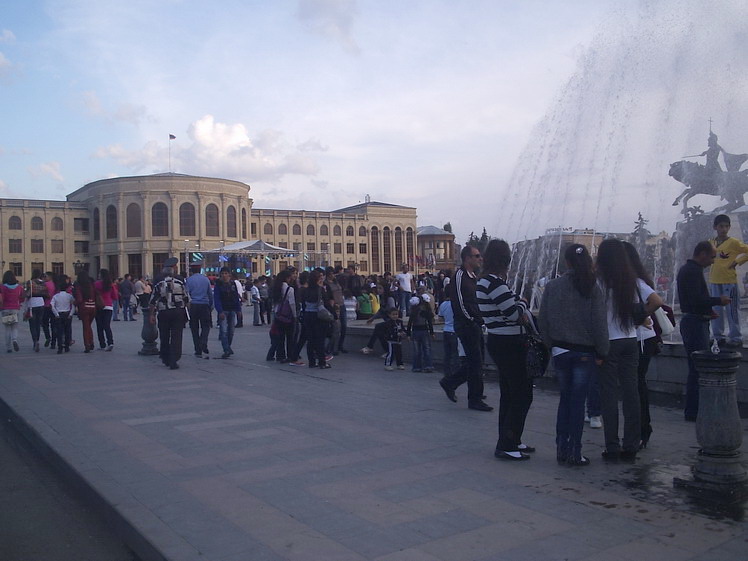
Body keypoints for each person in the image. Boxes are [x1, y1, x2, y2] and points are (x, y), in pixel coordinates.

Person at [539, 244, 609, 466]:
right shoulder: (592, 287)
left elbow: (543, 320)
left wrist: (550, 345)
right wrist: (603, 350)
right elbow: (599, 323)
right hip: (584, 353)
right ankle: (574, 452)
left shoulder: (552, 286)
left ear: (567, 262)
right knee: (578, 402)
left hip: (560, 351)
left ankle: (561, 447)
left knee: (565, 399)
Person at [596, 238, 658, 462]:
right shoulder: (632, 280)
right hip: (630, 340)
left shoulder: (598, 282)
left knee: (609, 395)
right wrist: (640, 318)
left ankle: (612, 447)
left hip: (609, 342)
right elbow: (656, 300)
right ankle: (631, 444)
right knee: (631, 393)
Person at [477, 239, 533, 460]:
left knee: (510, 393)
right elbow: (514, 313)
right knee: (521, 394)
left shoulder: (485, 282)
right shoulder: (495, 284)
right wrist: (524, 303)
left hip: (498, 340)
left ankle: (512, 439)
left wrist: (518, 304)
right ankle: (508, 444)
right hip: (509, 343)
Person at [678, 241, 729, 421]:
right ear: (702, 254)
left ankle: (694, 409)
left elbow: (694, 301)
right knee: (698, 368)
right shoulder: (692, 271)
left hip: (694, 320)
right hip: (694, 324)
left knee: (696, 367)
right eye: (712, 257)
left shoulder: (689, 270)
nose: (713, 261)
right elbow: (696, 300)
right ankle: (694, 411)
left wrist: (708, 311)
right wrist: (718, 300)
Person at [438, 246, 492, 412]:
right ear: (467, 258)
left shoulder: (472, 276)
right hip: (466, 325)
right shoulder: (460, 276)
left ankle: (452, 383)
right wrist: (472, 319)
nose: (480, 259)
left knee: (475, 362)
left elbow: (475, 301)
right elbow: (460, 303)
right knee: (475, 362)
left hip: (474, 323)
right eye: (477, 256)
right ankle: (474, 398)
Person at [622, 242, 665, 449]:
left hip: (641, 340)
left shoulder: (635, 282)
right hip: (639, 338)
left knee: (636, 385)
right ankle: (641, 430)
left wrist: (639, 317)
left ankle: (642, 430)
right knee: (636, 385)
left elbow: (657, 301)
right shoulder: (627, 280)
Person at [709, 214, 748, 348]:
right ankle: (718, 336)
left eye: (726, 226)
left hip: (729, 280)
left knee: (732, 310)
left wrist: (737, 261)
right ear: (715, 227)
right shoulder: (711, 242)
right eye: (721, 226)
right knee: (716, 310)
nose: (724, 229)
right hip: (714, 280)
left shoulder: (734, 242)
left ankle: (736, 336)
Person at [149, 258, 189, 369]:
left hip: (164, 312)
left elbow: (153, 300)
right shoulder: (180, 280)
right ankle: (174, 359)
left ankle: (165, 357)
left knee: (164, 335)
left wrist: (152, 314)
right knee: (177, 336)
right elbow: (186, 298)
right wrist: (187, 312)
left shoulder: (158, 281)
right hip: (178, 312)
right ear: (173, 268)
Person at [300, 269, 330, 369]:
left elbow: (303, 304)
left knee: (311, 340)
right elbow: (326, 303)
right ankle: (322, 362)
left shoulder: (306, 290)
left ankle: (312, 362)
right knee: (320, 340)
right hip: (318, 316)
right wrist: (333, 315)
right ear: (317, 279)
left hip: (308, 316)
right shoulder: (320, 290)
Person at [185, 264, 213, 358]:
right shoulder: (206, 279)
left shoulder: (189, 280)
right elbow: (210, 293)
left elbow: (186, 293)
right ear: (200, 269)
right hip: (204, 304)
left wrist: (187, 306)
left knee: (194, 328)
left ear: (192, 270)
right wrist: (211, 305)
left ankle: (197, 349)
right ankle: (203, 341)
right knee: (206, 326)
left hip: (193, 305)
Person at [213, 267, 241, 359]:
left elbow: (236, 297)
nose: (224, 275)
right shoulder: (218, 284)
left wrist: (238, 310)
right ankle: (226, 349)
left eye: (226, 273)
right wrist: (220, 311)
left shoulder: (232, 284)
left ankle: (228, 346)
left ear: (229, 274)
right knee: (224, 331)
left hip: (232, 309)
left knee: (231, 331)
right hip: (223, 310)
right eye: (222, 273)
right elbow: (216, 298)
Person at [406, 294, 435, 373]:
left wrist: (408, 334)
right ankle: (428, 366)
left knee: (416, 351)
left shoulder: (414, 311)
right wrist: (432, 333)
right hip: (424, 331)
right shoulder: (426, 310)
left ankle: (417, 367)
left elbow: (409, 323)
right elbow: (429, 322)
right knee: (427, 349)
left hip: (415, 331)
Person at [94, 269, 118, 351]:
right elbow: (115, 296)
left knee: (99, 326)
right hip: (108, 306)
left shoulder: (97, 284)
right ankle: (110, 342)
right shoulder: (110, 284)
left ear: (101, 275)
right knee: (107, 325)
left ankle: (102, 344)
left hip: (99, 306)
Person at [73, 270, 97, 353]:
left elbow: (79, 299)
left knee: (85, 327)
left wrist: (74, 303)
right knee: (89, 326)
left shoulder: (79, 286)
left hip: (84, 308)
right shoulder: (91, 285)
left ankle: (87, 345)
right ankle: (91, 342)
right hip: (93, 307)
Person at [1, 270, 24, 352]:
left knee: (7, 329)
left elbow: (1, 298)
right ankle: (14, 340)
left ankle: (8, 348)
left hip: (5, 309)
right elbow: (22, 298)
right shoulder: (19, 287)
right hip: (15, 309)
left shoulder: (2, 287)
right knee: (14, 327)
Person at [51, 280, 75, 354]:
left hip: (59, 314)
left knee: (59, 331)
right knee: (67, 331)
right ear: (66, 288)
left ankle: (60, 347)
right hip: (67, 314)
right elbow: (73, 305)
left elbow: (52, 305)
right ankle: (67, 346)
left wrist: (56, 314)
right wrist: (71, 314)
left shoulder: (56, 296)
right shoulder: (69, 296)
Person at [438, 292, 458, 377]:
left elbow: (440, 318)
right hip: (454, 330)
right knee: (456, 354)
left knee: (447, 354)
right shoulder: (456, 304)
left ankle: (447, 372)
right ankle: (456, 372)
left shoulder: (443, 304)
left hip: (446, 330)